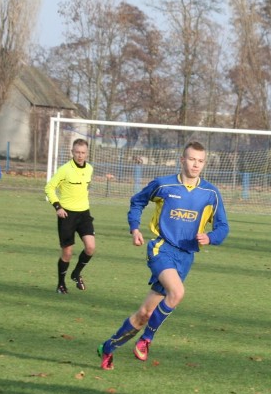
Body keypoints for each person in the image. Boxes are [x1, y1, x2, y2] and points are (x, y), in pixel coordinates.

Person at [97, 142, 229, 370]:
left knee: (145, 313)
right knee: (177, 293)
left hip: (186, 257)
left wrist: (211, 237)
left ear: (204, 163)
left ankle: (108, 347)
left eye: (200, 160)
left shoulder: (210, 193)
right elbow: (137, 201)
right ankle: (145, 341)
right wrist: (134, 228)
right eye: (191, 159)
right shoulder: (164, 184)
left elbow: (223, 227)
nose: (196, 164)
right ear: (182, 160)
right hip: (161, 248)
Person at [45, 138, 96, 294]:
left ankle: (76, 273)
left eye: (83, 152)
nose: (80, 155)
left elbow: (85, 187)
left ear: (87, 153)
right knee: (67, 253)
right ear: (72, 152)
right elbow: (49, 187)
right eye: (77, 152)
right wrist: (57, 207)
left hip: (84, 214)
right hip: (67, 215)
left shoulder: (89, 169)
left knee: (90, 247)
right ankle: (61, 284)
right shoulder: (65, 169)